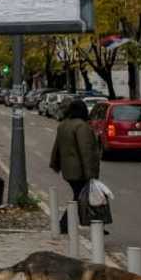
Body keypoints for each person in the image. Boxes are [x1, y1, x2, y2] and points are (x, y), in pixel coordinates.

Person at [49, 98, 100, 235]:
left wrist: (55, 164)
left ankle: (92, 223)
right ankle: (66, 224)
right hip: (79, 171)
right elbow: (86, 151)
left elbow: (57, 147)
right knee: (80, 197)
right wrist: (91, 175)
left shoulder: (63, 125)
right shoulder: (81, 126)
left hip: (68, 170)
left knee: (81, 196)